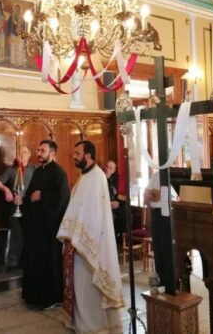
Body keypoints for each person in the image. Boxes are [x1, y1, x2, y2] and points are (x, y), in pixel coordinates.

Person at [58, 141, 123, 333]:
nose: (74, 156)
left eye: (77, 153)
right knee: (80, 286)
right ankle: (80, 321)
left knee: (88, 286)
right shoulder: (85, 176)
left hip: (89, 242)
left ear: (88, 155)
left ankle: (93, 326)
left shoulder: (97, 177)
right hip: (77, 241)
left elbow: (94, 213)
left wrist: (79, 238)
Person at [22, 140, 69, 310]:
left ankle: (51, 298)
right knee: (34, 260)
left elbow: (63, 200)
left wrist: (42, 196)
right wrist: (25, 199)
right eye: (38, 150)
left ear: (52, 153)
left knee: (49, 262)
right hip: (36, 226)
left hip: (50, 228)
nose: (39, 153)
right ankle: (33, 296)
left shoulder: (59, 173)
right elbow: (30, 194)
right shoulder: (38, 171)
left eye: (42, 150)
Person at [144, 171, 178, 289]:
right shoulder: (156, 175)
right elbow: (146, 194)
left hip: (168, 214)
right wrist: (155, 194)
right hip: (156, 213)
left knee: (166, 247)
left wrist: (155, 194)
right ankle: (161, 280)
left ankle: (171, 281)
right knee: (157, 247)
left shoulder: (173, 175)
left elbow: (170, 196)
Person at [6, 146, 36, 269]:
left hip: (31, 206)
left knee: (31, 233)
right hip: (16, 205)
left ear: (29, 154)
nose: (22, 155)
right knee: (16, 234)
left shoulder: (35, 169)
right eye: (20, 153)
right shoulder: (11, 169)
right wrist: (7, 190)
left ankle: (29, 261)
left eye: (24, 152)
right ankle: (13, 263)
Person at [105, 159, 126, 242]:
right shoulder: (100, 179)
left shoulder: (115, 180)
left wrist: (117, 202)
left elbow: (121, 194)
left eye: (110, 168)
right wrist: (109, 203)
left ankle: (118, 236)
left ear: (114, 170)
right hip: (105, 205)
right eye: (106, 167)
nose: (107, 169)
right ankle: (113, 237)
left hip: (115, 204)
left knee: (126, 215)